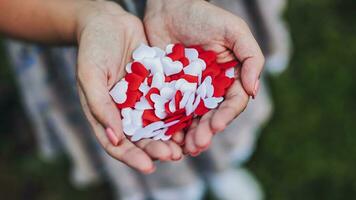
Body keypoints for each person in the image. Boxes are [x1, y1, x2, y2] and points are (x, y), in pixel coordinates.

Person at [1, 0, 274, 199]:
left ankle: (222, 169)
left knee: (213, 129)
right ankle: (176, 191)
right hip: (57, 16)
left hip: (182, 20)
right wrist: (85, 18)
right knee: (154, 150)